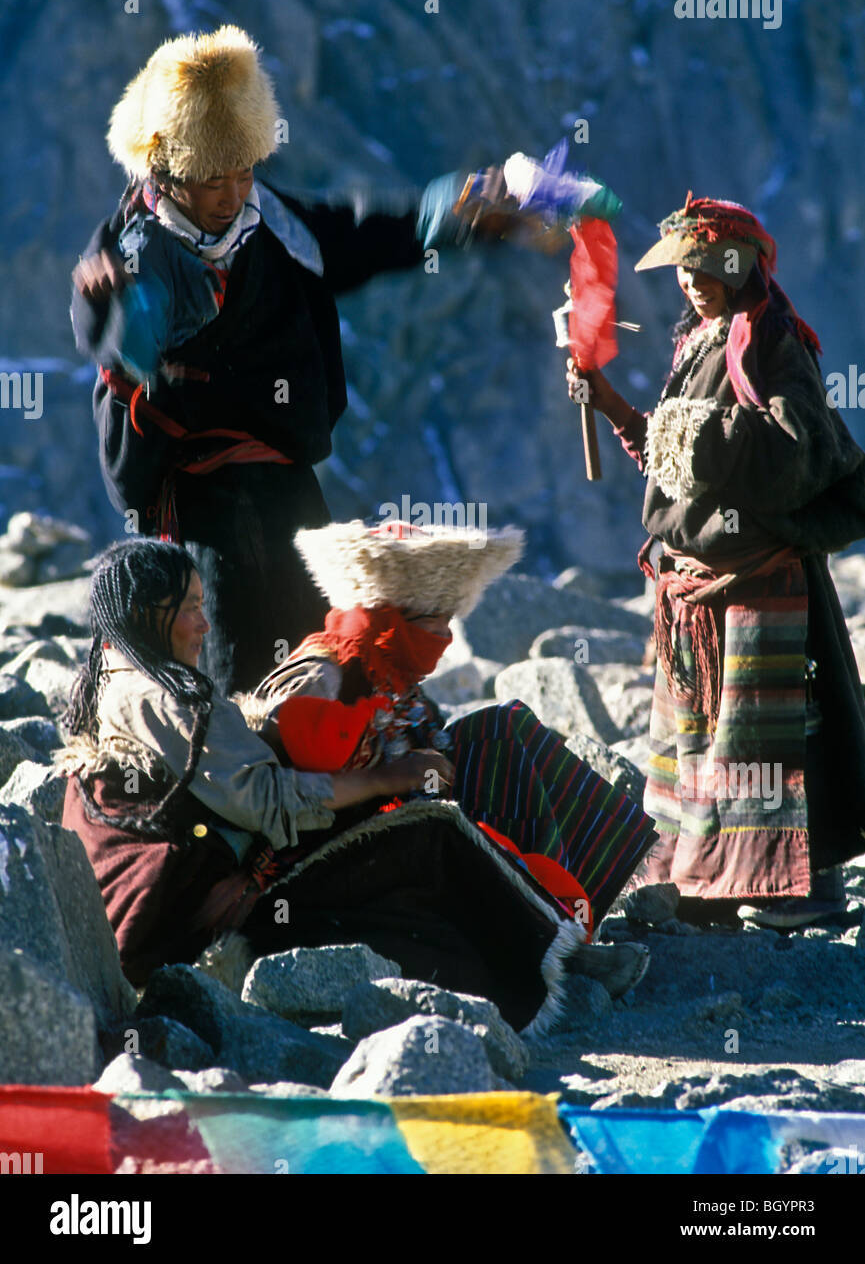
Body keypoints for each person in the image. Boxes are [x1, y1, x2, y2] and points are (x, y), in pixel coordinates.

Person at [69, 25, 539, 696]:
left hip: (287, 485)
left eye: (242, 172)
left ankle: (320, 784)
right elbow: (115, 335)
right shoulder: (135, 250)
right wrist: (127, 329)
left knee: (316, 652)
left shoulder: (274, 223)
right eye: (211, 181)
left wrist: (456, 212)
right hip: (201, 499)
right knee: (225, 662)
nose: (231, 195)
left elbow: (358, 235)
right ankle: (239, 788)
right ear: (164, 173)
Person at [57, 537, 648, 1036]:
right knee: (429, 837)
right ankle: (548, 956)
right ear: (144, 611)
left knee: (496, 739)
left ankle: (563, 922)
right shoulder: (173, 697)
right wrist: (386, 779)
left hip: (227, 870)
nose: (205, 624)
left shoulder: (128, 677)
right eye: (189, 606)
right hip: (211, 914)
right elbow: (268, 800)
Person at [566, 192, 865, 928]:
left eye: (706, 267)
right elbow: (682, 467)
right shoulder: (702, 337)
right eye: (682, 268)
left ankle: (796, 892)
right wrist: (610, 405)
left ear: (741, 268)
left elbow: (798, 445)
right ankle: (719, 884)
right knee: (712, 744)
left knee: (769, 745)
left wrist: (682, 430)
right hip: (700, 585)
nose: (693, 280)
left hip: (759, 581)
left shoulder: (769, 342)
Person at [248, 518, 658, 931]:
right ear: (396, 617)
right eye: (436, 621)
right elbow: (268, 790)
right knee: (453, 825)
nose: (445, 637)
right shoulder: (325, 676)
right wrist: (387, 778)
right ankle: (546, 928)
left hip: (394, 817)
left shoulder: (391, 671)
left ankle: (574, 909)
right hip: (325, 857)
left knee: (505, 729)